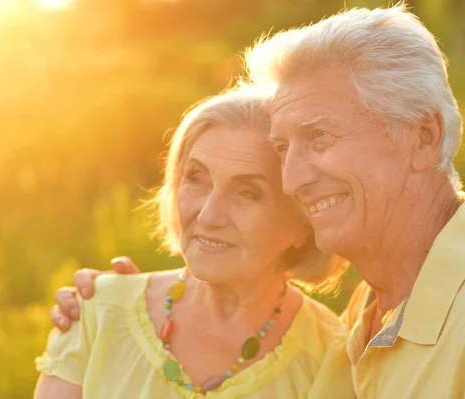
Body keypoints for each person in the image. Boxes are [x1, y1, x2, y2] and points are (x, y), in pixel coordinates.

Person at [51, 4, 465, 398]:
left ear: (423, 137)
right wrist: (116, 311)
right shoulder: (364, 317)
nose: (293, 180)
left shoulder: (331, 343)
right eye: (284, 147)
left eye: (320, 136)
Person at [34, 89, 353, 398]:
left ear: (303, 224)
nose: (209, 214)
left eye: (247, 193)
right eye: (196, 178)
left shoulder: (331, 355)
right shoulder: (97, 313)